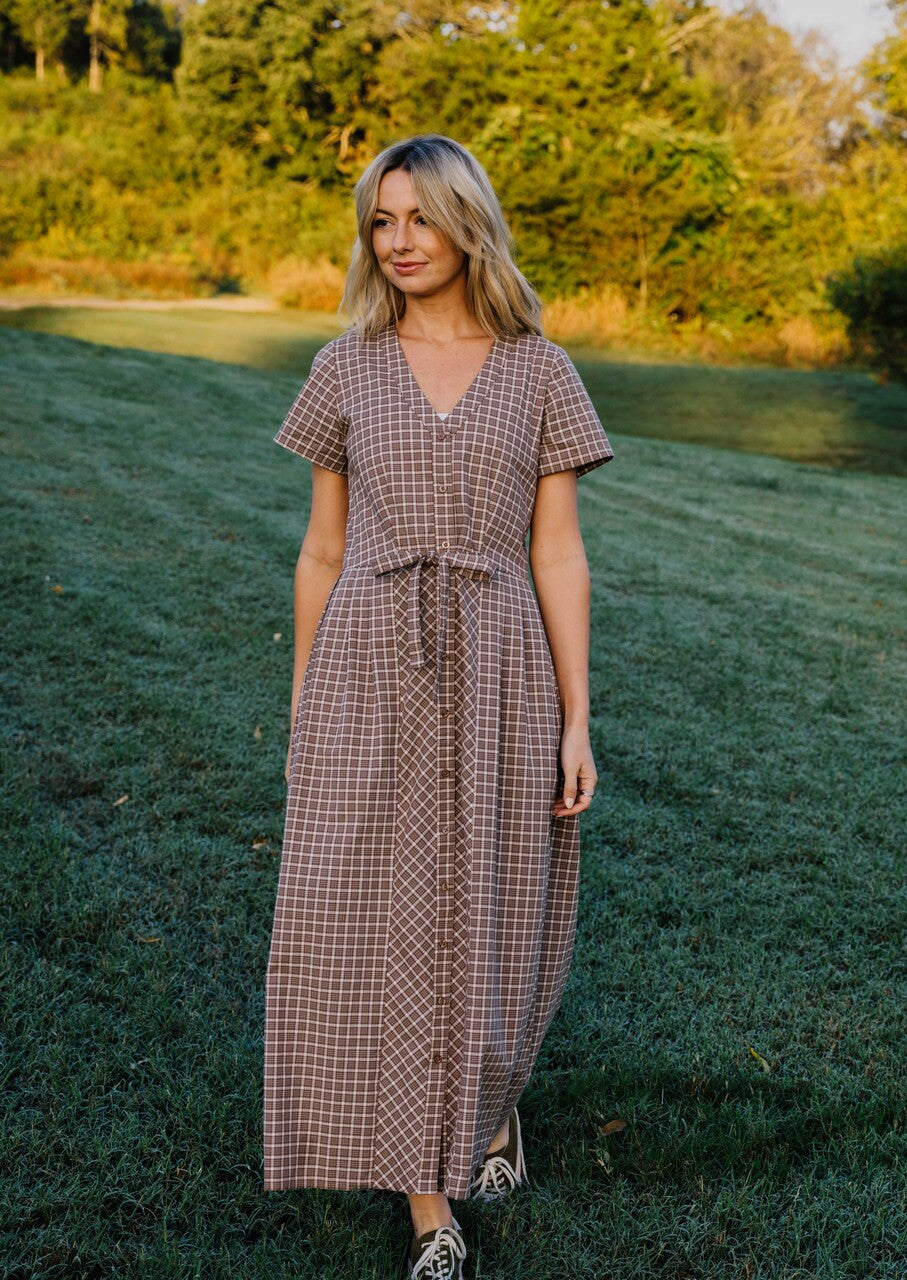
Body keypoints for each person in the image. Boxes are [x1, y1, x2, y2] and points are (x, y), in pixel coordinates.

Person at [263, 133, 614, 1279]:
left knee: (496, 908)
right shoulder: (345, 366)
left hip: (504, 662)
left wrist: (576, 716)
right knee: (376, 916)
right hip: (370, 658)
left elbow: (558, 557)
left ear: (468, 223)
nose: (399, 242)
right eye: (380, 221)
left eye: (419, 218)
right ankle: (430, 1203)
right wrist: (307, 701)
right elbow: (320, 550)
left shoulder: (539, 370)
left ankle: (493, 1100)